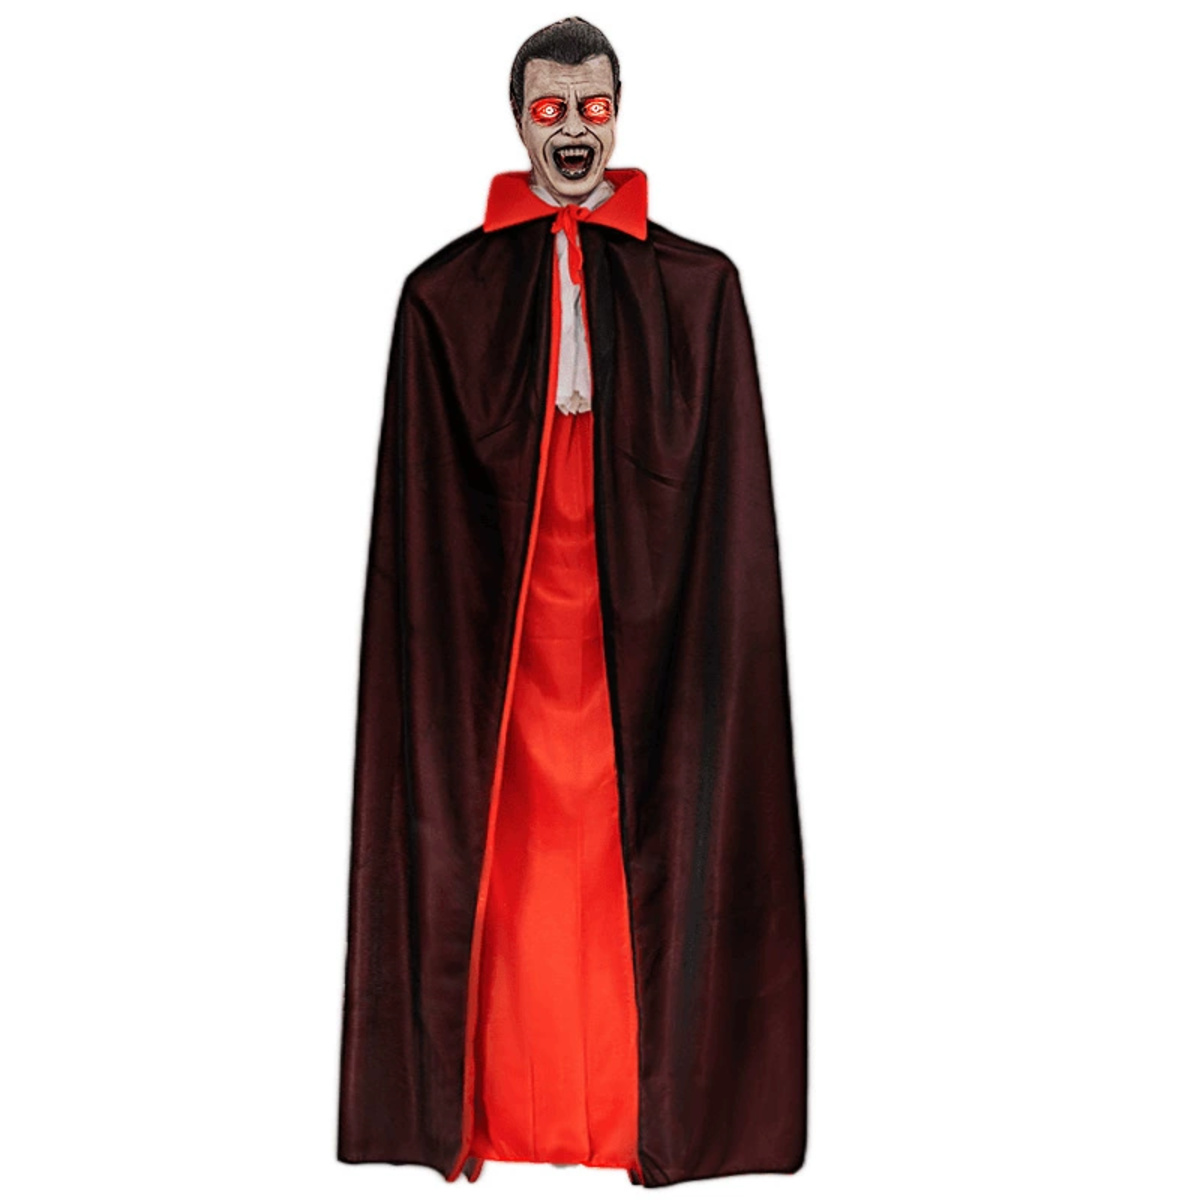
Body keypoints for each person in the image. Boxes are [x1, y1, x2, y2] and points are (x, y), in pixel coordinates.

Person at [338, 17, 808, 1188]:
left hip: (650, 665)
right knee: (501, 891)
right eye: (550, 109)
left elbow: (726, 529)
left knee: (641, 879)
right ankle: (486, 1116)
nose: (573, 133)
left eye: (592, 108)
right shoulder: (444, 298)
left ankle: (654, 1123)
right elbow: (421, 542)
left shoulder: (699, 290)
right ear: (516, 121)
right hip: (495, 677)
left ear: (621, 113)